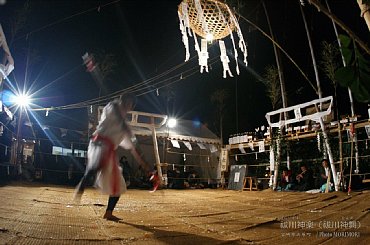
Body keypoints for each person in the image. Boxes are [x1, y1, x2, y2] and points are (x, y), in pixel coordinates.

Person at [74, 93, 157, 220]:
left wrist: (147, 167)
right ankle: (85, 180)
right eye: (126, 101)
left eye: (130, 103)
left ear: (131, 107)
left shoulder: (125, 127)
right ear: (121, 100)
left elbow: (134, 149)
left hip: (108, 150)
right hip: (100, 144)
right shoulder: (111, 107)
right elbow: (115, 111)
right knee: (96, 166)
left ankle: (108, 213)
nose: (127, 105)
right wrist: (124, 126)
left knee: (119, 186)